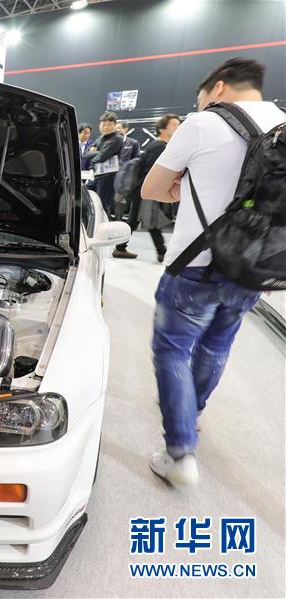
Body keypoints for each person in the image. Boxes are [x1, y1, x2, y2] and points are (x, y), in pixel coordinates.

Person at [141, 57, 284, 487]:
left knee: (172, 350)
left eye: (201, 97)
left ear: (217, 88)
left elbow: (152, 189)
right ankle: (193, 412)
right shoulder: (282, 124)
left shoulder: (203, 124)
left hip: (195, 265)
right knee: (217, 345)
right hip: (250, 267)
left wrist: (184, 188)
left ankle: (179, 452)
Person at [113, 114, 181, 261]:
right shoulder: (159, 147)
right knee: (150, 220)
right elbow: (152, 171)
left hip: (143, 189)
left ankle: (120, 247)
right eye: (174, 125)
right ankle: (162, 252)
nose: (178, 127)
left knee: (136, 220)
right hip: (146, 189)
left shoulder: (159, 146)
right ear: (162, 129)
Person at [83, 112, 123, 213]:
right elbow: (85, 154)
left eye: (109, 125)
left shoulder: (117, 139)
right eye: (103, 125)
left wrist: (95, 152)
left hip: (108, 177)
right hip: (95, 175)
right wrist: (99, 152)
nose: (105, 127)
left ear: (115, 125)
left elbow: (102, 157)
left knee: (103, 206)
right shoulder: (100, 138)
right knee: (88, 200)